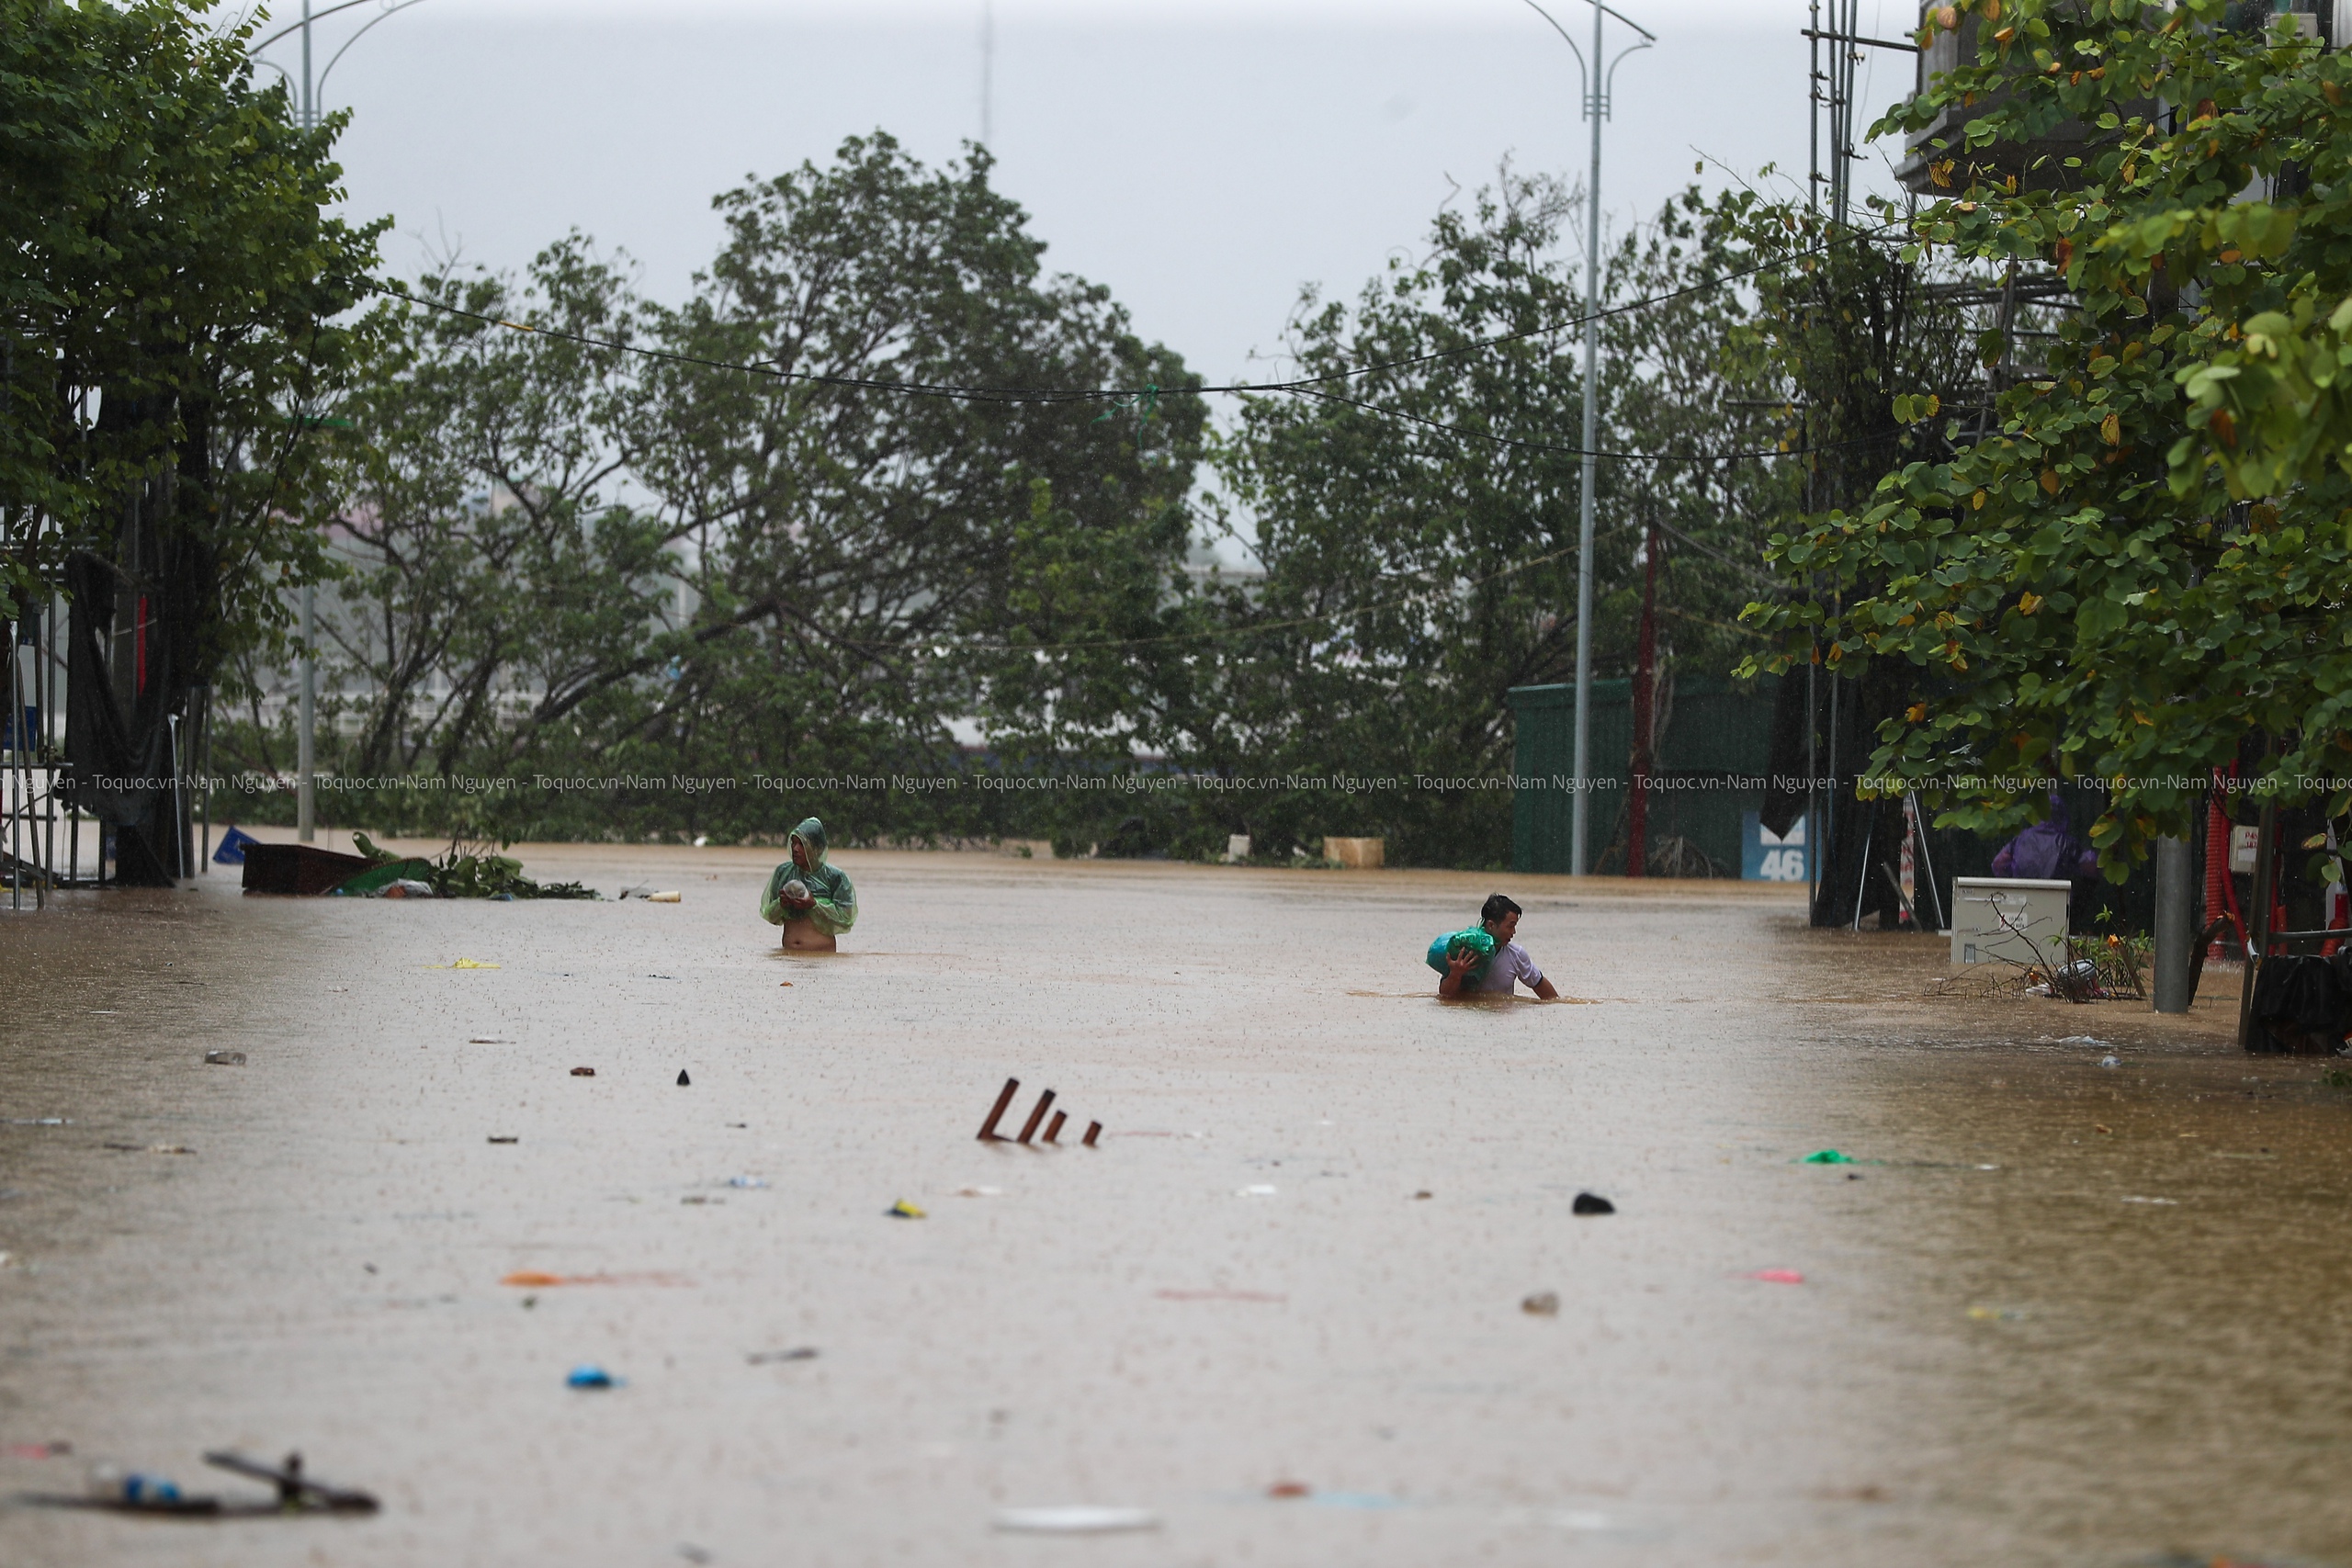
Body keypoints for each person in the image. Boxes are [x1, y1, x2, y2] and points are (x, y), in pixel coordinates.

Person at [1438, 894, 1558, 999]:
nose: (1514, 932)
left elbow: (1543, 989)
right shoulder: (1464, 950)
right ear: (1491, 925)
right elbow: (1445, 997)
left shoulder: (1516, 955)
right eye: (1510, 926)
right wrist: (1456, 974)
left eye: (1515, 926)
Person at [761, 817, 856, 950]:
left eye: (802, 844)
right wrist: (781, 905)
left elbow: (846, 919)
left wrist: (814, 905)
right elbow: (769, 914)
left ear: (818, 848)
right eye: (793, 843)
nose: (795, 849)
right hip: (789, 960)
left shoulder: (835, 877)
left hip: (822, 958)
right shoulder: (783, 872)